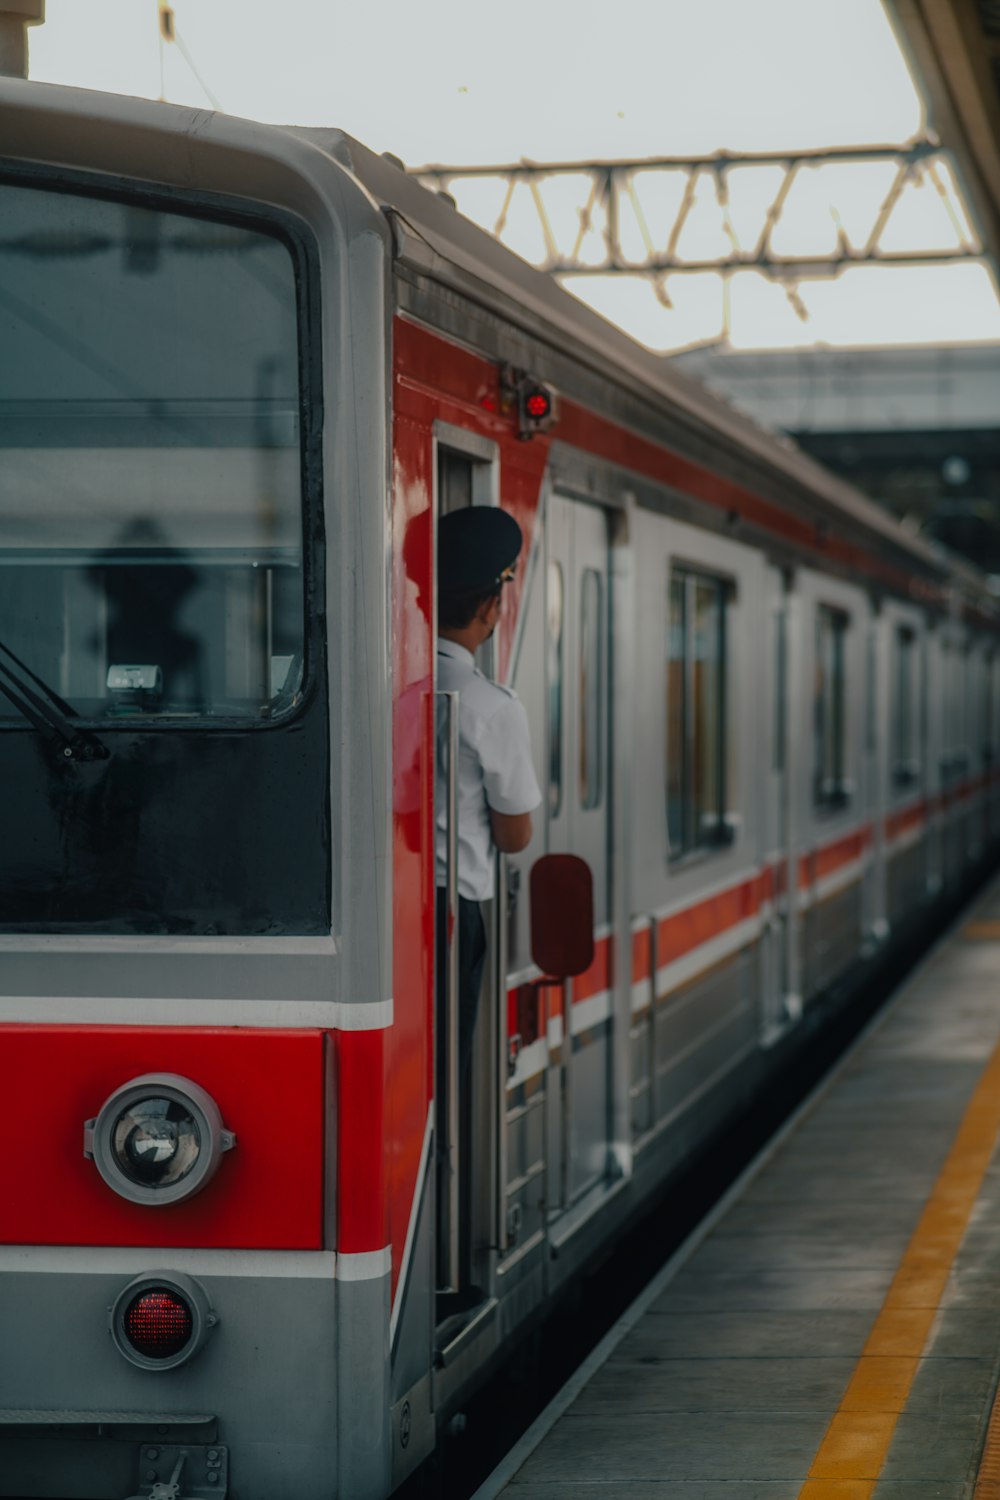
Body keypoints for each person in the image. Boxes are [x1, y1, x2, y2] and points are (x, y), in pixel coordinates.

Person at [435, 506, 541, 1306]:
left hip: (389, 912)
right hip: (455, 915)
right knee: (445, 1080)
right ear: (492, 605)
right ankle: (442, 1254)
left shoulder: (389, 683)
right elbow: (515, 836)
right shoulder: (491, 707)